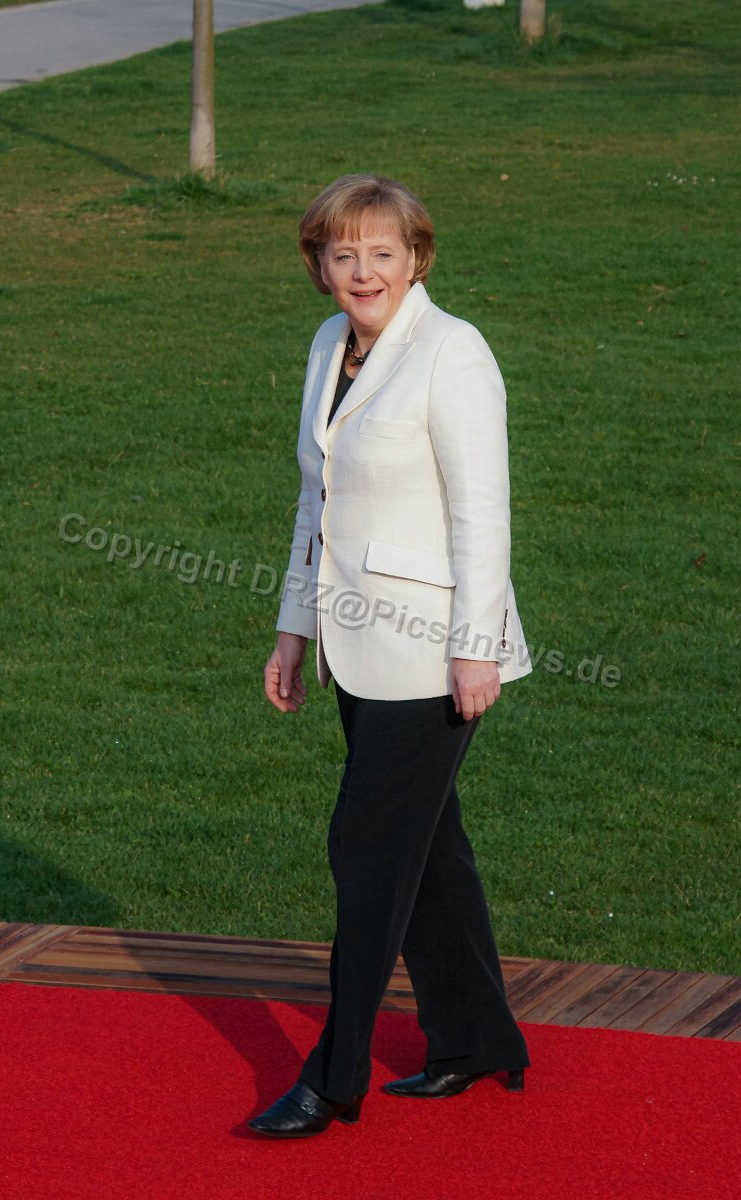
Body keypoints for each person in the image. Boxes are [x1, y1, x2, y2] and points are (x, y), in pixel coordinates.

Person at [251, 174, 532, 1139]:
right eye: (344, 254)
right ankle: (477, 1039)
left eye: (382, 253)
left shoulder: (453, 351)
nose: (362, 271)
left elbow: (482, 512)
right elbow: (315, 498)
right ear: (319, 264)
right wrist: (293, 628)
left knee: (366, 846)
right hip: (354, 640)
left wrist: (475, 649)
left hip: (434, 656)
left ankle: (334, 1078)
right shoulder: (328, 346)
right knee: (428, 848)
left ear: (417, 259)